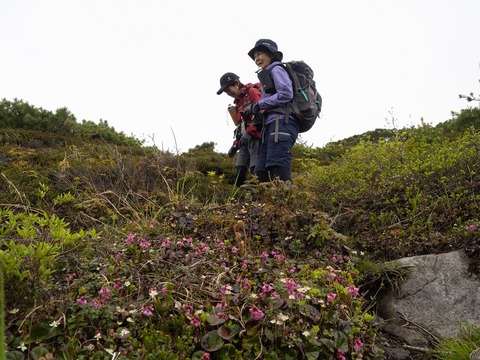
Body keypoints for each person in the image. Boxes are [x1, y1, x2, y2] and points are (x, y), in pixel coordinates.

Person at [244, 39, 298, 183]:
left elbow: (286, 94)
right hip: (270, 127)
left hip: (281, 122)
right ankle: (269, 204)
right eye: (255, 56)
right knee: (262, 172)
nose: (257, 59)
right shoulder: (267, 75)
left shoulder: (277, 69)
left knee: (279, 166)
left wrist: (259, 104)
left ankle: (292, 202)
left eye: (260, 54)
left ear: (271, 54)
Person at [217, 72, 262, 186]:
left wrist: (250, 133)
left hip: (256, 137)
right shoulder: (238, 103)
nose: (228, 93)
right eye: (226, 92)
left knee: (255, 169)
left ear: (236, 83)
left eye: (228, 89)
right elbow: (241, 125)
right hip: (244, 141)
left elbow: (261, 114)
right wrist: (235, 145)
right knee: (240, 169)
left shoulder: (252, 92)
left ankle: (259, 197)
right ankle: (240, 199)